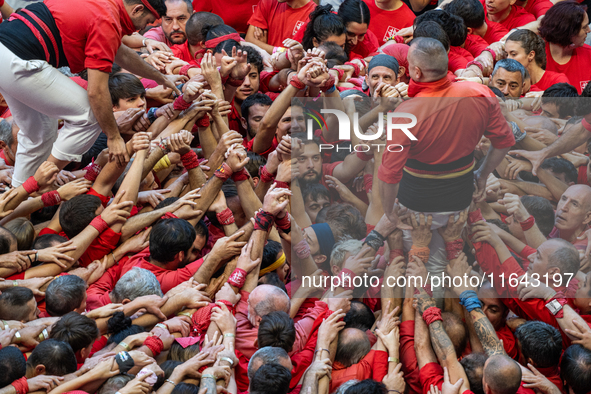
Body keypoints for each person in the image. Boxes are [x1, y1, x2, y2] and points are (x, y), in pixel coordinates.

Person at [0, 0, 181, 187]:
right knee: (90, 114)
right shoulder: (107, 18)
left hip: (7, 54)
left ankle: (18, 196)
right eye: (146, 22)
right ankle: (38, 182)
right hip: (19, 57)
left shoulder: (105, 7)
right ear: (137, 9)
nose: (142, 28)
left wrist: (162, 78)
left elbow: (122, 53)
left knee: (39, 132)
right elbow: (96, 92)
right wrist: (113, 137)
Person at [538, 1, 591, 94]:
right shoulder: (535, 56)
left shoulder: (589, 54)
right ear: (568, 31)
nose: (589, 30)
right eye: (584, 27)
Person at [505, 29, 570, 92]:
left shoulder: (557, 80)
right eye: (506, 54)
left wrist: (543, 97)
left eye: (513, 54)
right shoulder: (509, 83)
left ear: (531, 55)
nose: (508, 59)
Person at [246, 0, 317, 54]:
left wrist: (263, 47)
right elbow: (248, 41)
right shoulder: (268, 2)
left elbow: (296, 55)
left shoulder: (314, 15)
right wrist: (280, 50)